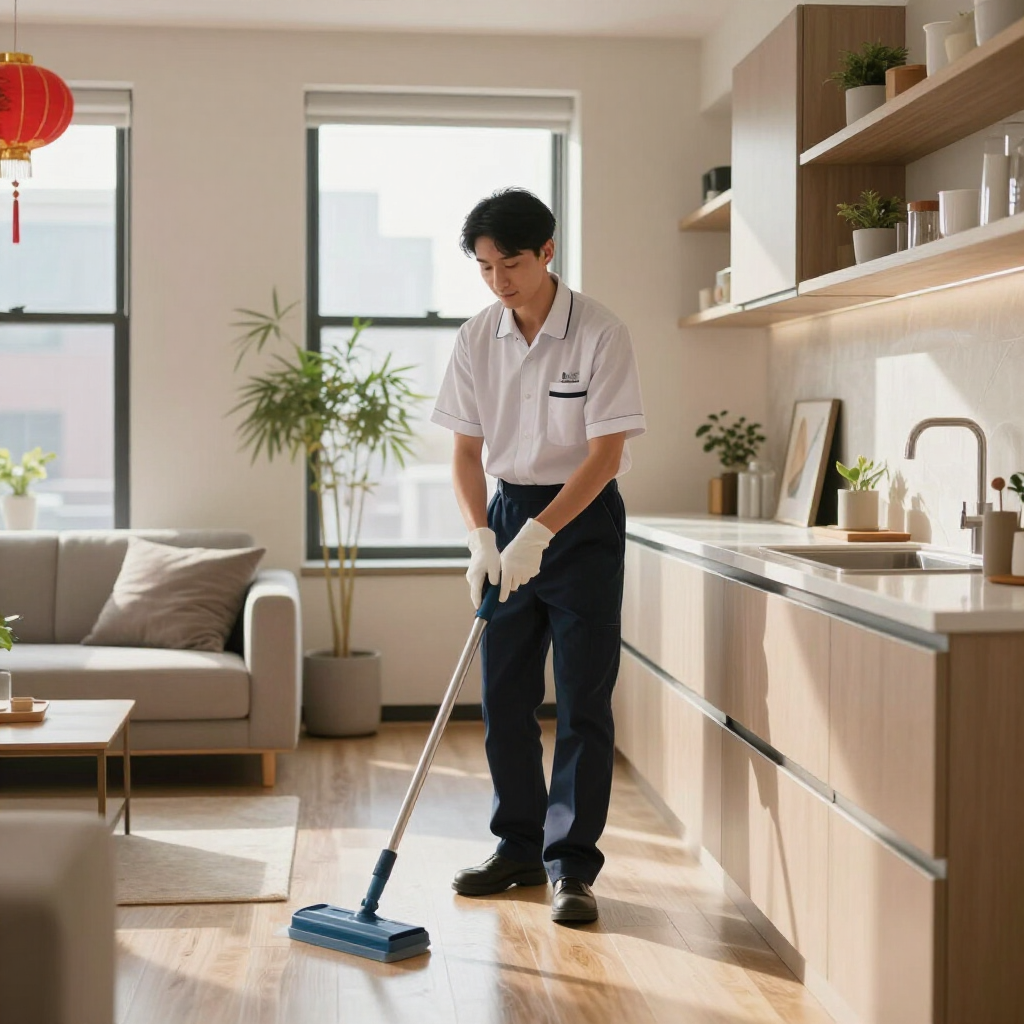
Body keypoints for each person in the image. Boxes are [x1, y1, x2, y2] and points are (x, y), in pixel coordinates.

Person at [430, 188, 645, 924]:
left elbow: (605, 456)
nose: (499, 282)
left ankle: (571, 867)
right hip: (508, 510)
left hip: (580, 524)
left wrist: (541, 535)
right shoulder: (474, 338)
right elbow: (463, 452)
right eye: (485, 268)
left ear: (546, 251)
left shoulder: (600, 333)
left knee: (582, 700)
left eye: (511, 264)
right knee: (505, 698)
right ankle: (517, 846)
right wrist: (481, 536)